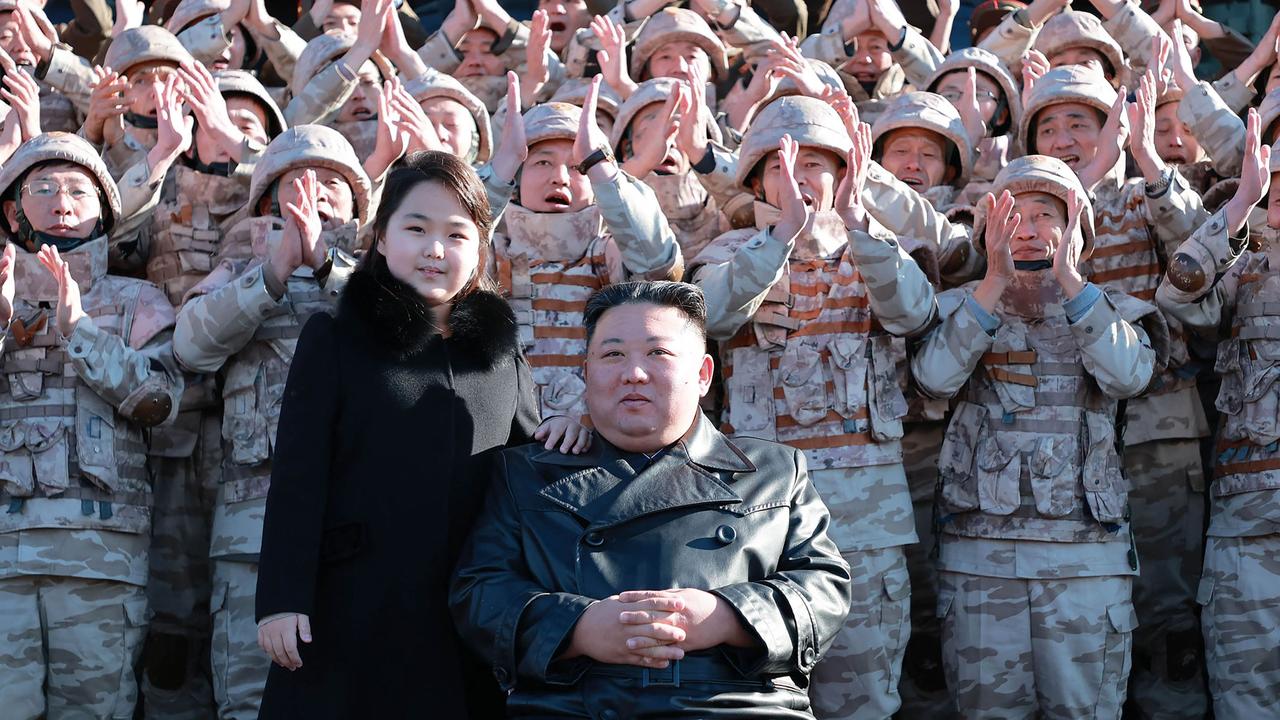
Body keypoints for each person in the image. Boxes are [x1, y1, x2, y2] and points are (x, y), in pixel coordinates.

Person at [252, 151, 587, 718]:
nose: (436, 249)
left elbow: (526, 460)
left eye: (457, 234)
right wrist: (282, 600)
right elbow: (297, 476)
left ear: (479, 249)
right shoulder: (334, 337)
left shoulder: (499, 353)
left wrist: (570, 428)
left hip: (465, 612)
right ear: (382, 238)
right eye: (416, 228)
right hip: (352, 607)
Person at [450, 280, 853, 717]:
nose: (634, 373)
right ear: (586, 370)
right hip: (575, 705)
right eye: (612, 354)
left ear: (702, 375)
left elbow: (825, 587)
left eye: (658, 353)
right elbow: (479, 592)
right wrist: (579, 628)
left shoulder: (773, 471)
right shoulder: (526, 473)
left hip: (738, 704)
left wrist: (727, 617)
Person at [912, 155, 1163, 718]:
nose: (1027, 228)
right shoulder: (960, 308)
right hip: (980, 556)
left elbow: (1128, 378)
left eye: (1045, 214)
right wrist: (994, 281)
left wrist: (1072, 282)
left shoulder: (1114, 311)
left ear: (1077, 227)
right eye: (1012, 215)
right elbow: (934, 379)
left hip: (1085, 560)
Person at [0, 131, 182, 719]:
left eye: (79, 189)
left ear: (103, 210)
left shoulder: (138, 301)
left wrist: (79, 328)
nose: (62, 202)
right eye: (44, 188)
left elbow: (160, 401)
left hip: (101, 563)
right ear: (12, 209)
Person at [1155, 112, 1280, 720]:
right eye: (1275, 195)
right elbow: (1176, 293)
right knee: (1245, 699)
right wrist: (1237, 211)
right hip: (1248, 531)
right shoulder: (1242, 270)